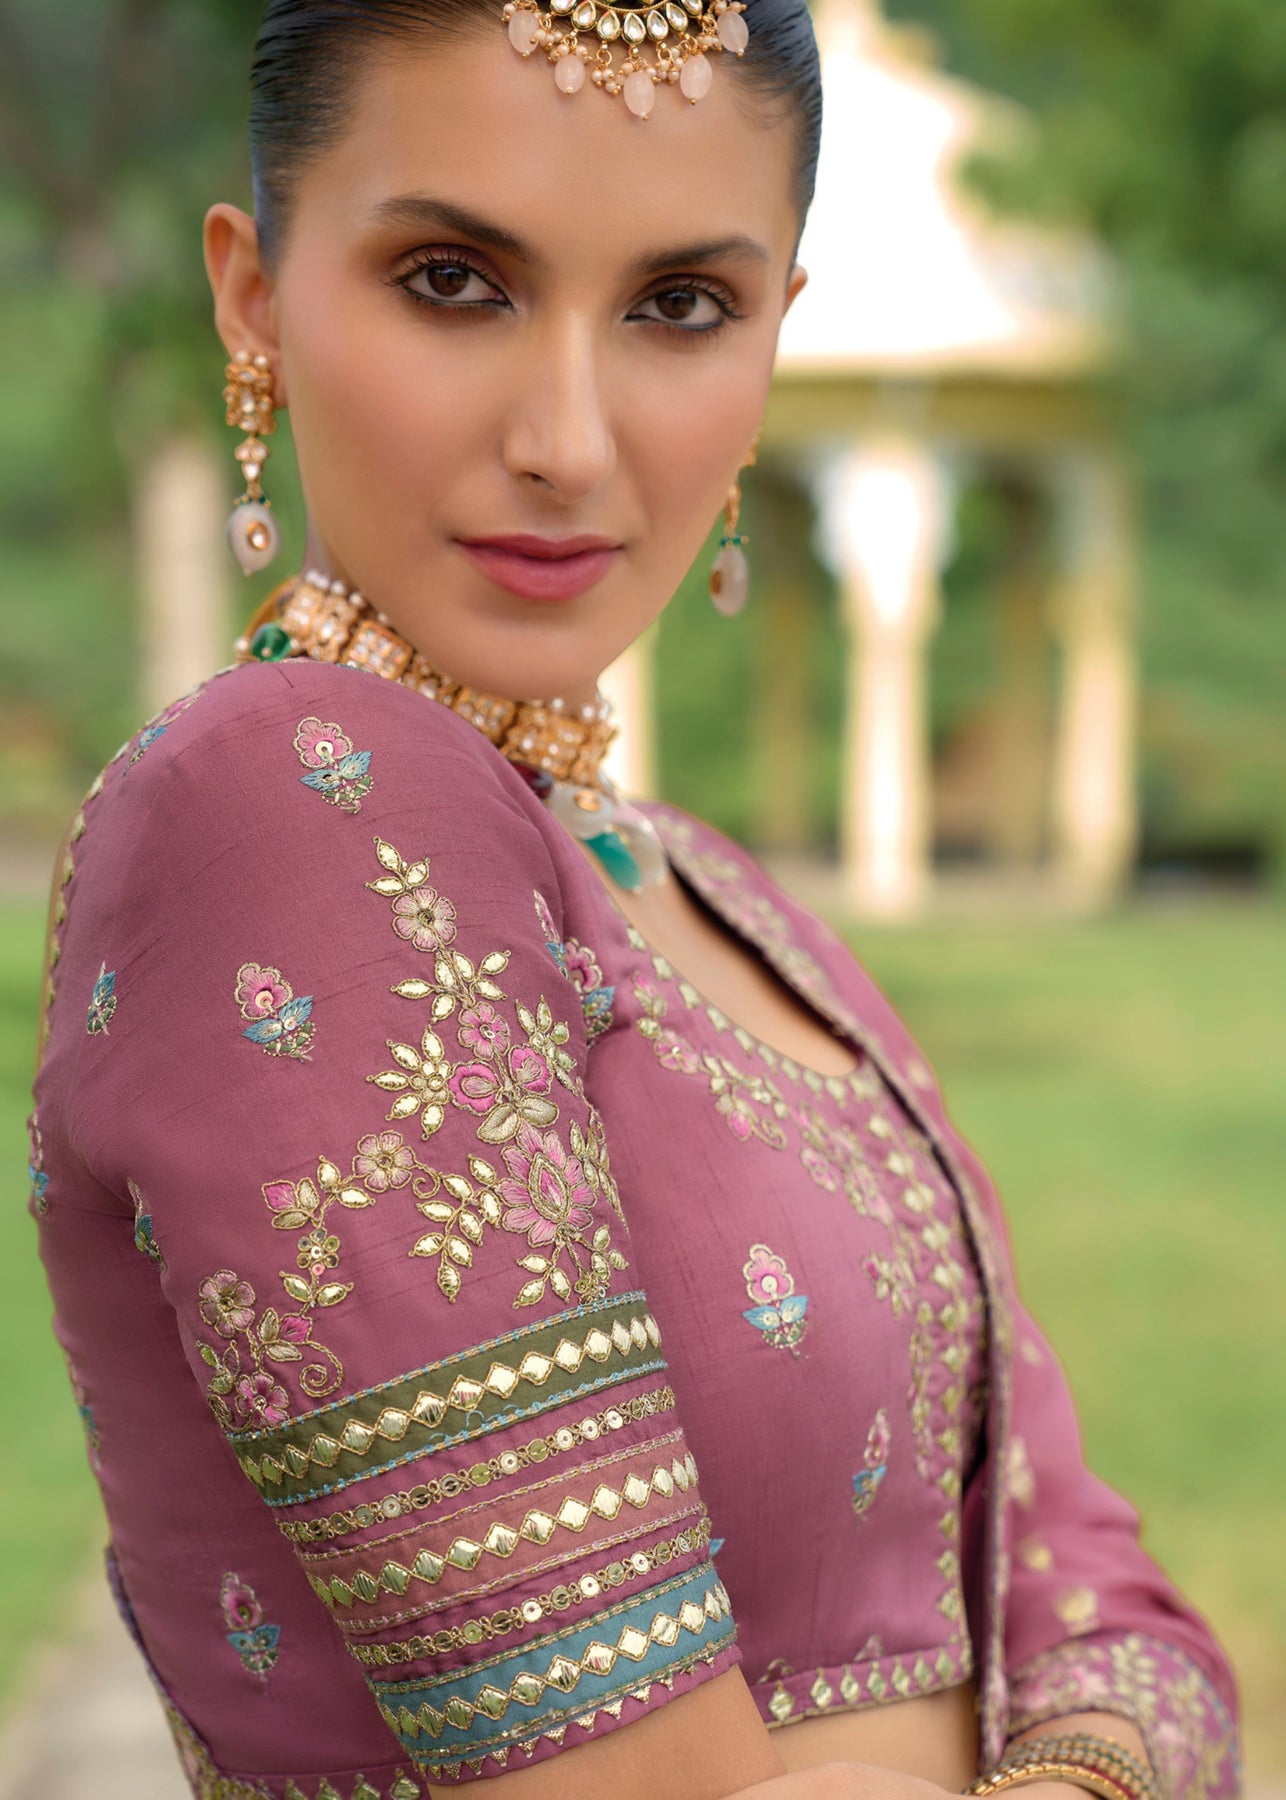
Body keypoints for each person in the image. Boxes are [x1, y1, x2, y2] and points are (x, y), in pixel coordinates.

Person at [29, 3, 1241, 1797]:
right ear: (254, 297)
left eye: (680, 306)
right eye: (453, 281)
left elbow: (1104, 1600)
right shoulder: (282, 796)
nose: (569, 440)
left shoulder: (727, 905)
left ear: (775, 336)